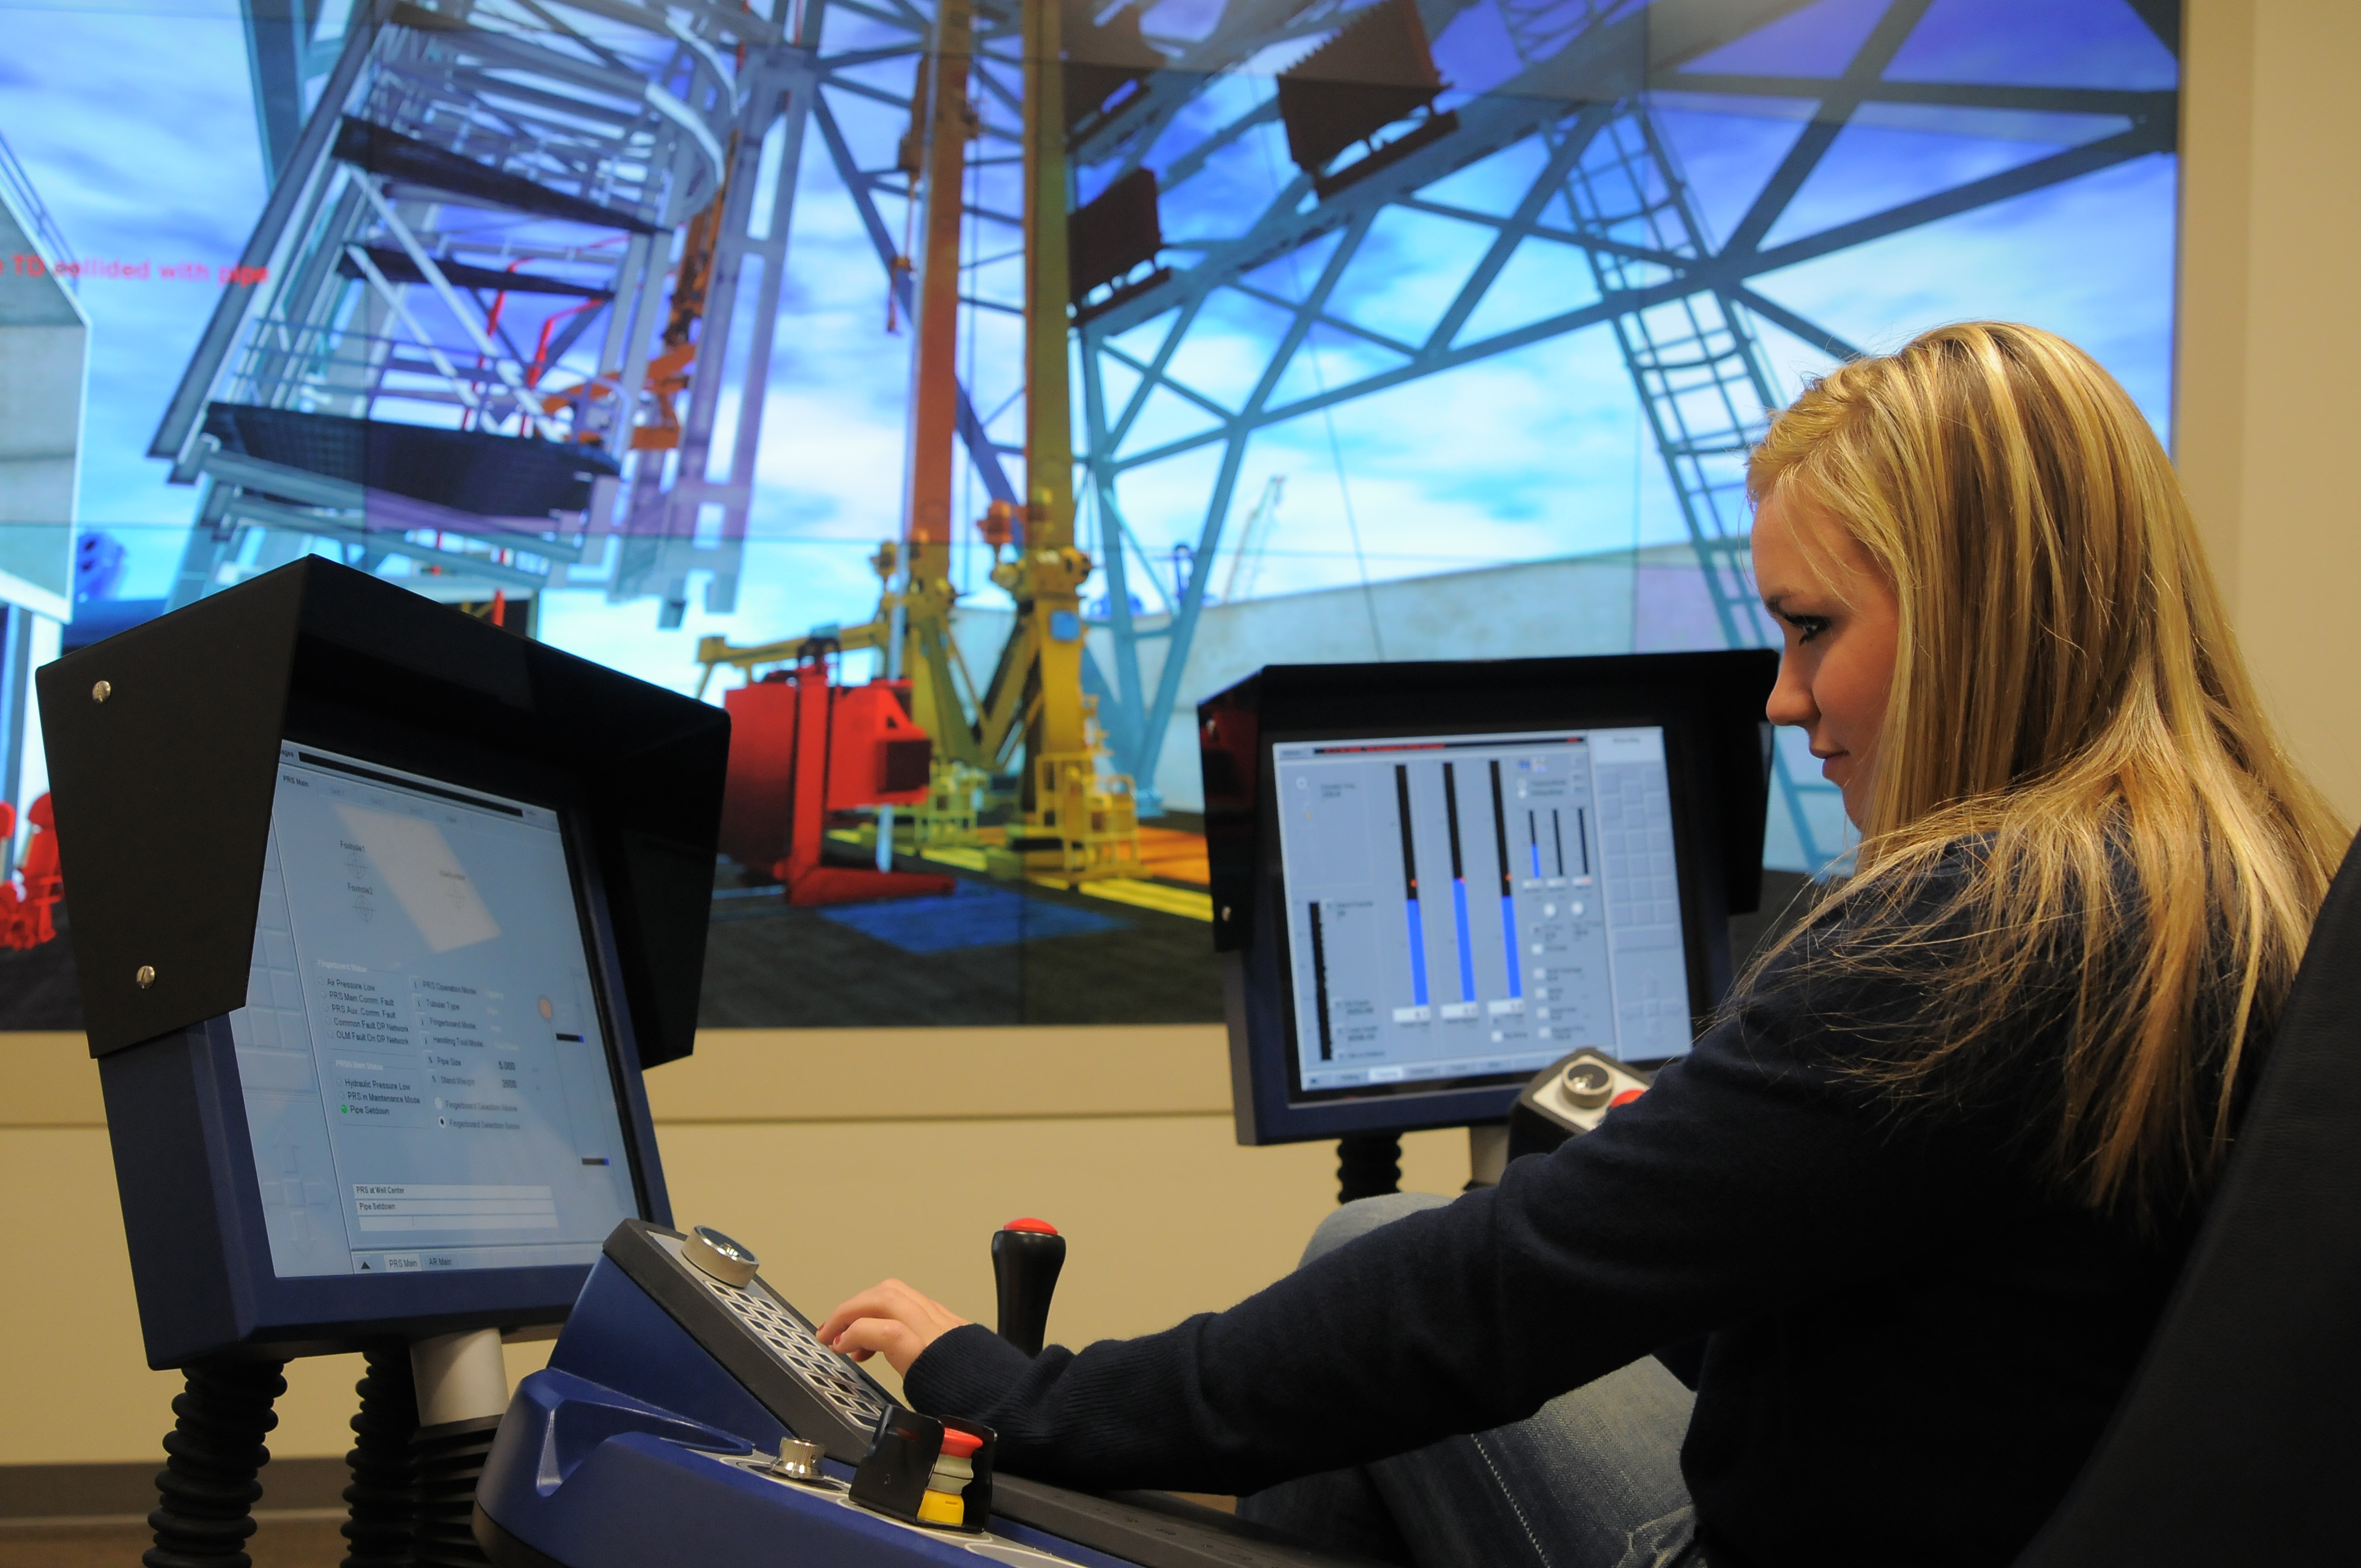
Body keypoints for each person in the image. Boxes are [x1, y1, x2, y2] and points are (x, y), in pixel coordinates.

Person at [815, 323, 2349, 1568]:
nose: (1784, 699)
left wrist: (1022, 1391)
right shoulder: (2259, 883)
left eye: (1814, 629)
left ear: (1972, 618)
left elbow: (1488, 1304)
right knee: (1374, 1262)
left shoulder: (1965, 940)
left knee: (1395, 1293)